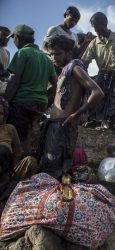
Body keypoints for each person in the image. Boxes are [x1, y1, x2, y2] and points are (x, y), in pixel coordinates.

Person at [39, 35, 104, 179]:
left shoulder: (74, 67)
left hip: (62, 127)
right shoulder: (64, 70)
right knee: (49, 166)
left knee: (54, 171)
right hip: (54, 125)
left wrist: (77, 114)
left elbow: (97, 92)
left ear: (69, 53)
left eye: (58, 54)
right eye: (52, 54)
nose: (54, 57)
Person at [3, 24, 57, 153]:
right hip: (39, 105)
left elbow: (15, 82)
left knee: (19, 139)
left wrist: (4, 103)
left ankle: (23, 167)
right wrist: (45, 101)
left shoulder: (22, 53)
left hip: (22, 102)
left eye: (13, 38)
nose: (13, 41)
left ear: (18, 38)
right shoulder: (47, 59)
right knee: (26, 135)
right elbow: (56, 85)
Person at [0, 96, 38, 213]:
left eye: (1, 113)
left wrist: (14, 169)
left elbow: (18, 151)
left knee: (31, 161)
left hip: (8, 174)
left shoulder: (9, 129)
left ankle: (17, 197)